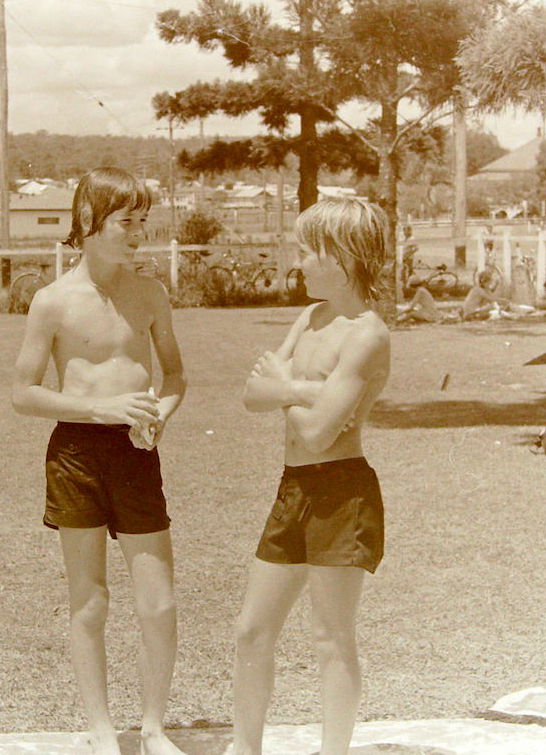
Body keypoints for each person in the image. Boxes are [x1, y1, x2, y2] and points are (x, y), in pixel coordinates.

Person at [11, 167, 187, 755]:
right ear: (88, 223)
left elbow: (176, 374)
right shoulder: (53, 301)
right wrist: (102, 407)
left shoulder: (151, 292)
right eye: (126, 222)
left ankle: (155, 728)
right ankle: (102, 730)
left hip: (137, 453)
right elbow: (24, 394)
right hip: (78, 453)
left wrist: (158, 412)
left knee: (158, 602)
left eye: (144, 221)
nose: (138, 234)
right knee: (90, 602)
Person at [229, 198, 390, 755]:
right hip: (292, 489)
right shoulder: (311, 317)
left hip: (342, 492)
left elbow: (322, 433)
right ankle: (244, 748)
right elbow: (253, 396)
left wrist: (285, 386)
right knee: (251, 630)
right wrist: (300, 390)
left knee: (330, 637)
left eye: (305, 250)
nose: (296, 262)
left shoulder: (368, 334)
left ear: (340, 255)